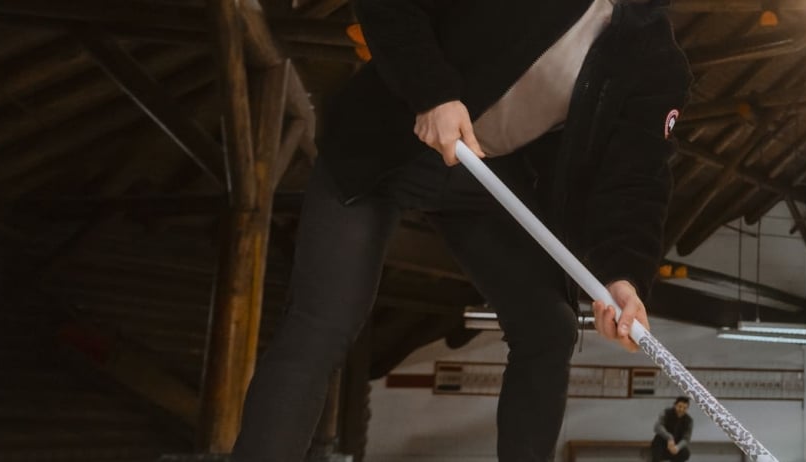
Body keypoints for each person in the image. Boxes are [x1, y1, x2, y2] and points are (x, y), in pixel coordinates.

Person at [233, 0, 691, 460]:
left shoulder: (654, 57)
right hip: (386, 140)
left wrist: (626, 277)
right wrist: (432, 92)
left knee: (549, 329)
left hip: (487, 178)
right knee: (322, 324)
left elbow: (637, 179)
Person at [651, 397, 694, 462]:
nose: (681, 410)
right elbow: (657, 427)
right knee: (658, 441)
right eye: (680, 406)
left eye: (685, 408)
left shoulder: (689, 420)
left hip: (675, 445)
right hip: (661, 443)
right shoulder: (666, 412)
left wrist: (677, 447)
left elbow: (686, 438)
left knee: (685, 453)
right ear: (675, 405)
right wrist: (669, 438)